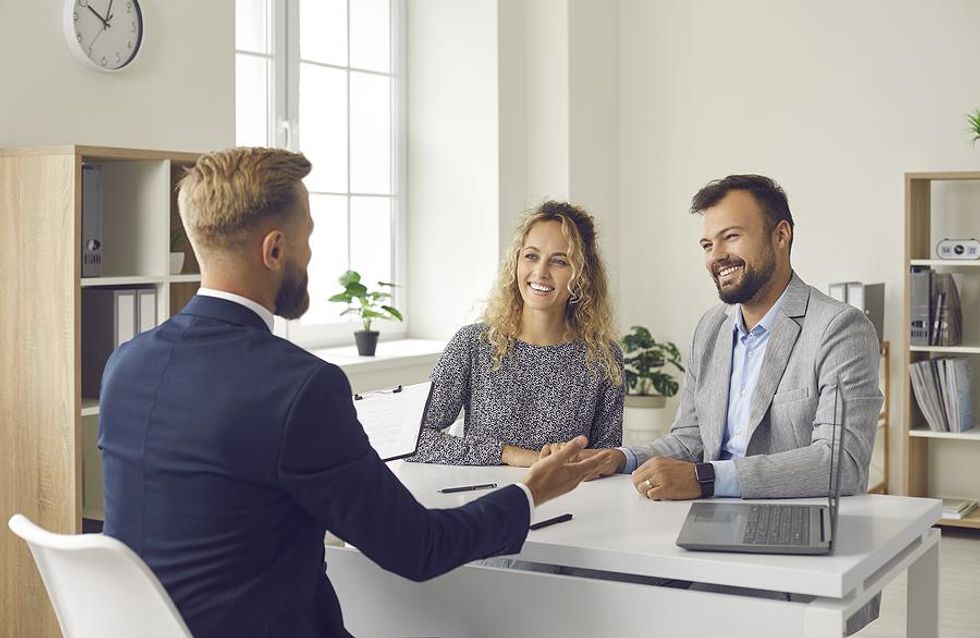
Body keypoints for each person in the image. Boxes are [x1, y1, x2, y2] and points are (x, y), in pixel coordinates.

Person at [98, 147, 606, 638]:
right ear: (275, 250)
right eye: (307, 238)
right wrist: (532, 489)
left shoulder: (125, 367)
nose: (311, 253)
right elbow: (418, 548)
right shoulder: (299, 388)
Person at [543, 174, 883, 633]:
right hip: (703, 523)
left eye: (731, 236)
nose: (716, 256)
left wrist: (705, 479)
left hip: (788, 540)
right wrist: (618, 458)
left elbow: (841, 462)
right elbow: (690, 437)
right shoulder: (712, 328)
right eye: (707, 244)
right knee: (566, 581)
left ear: (781, 235)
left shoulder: (840, 328)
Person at [409, 201, 624, 467]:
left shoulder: (603, 357)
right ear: (516, 262)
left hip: (570, 503)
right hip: (485, 503)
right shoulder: (473, 345)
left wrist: (576, 458)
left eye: (559, 261)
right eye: (531, 256)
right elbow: (411, 441)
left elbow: (608, 461)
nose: (541, 272)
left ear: (582, 275)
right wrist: (508, 454)